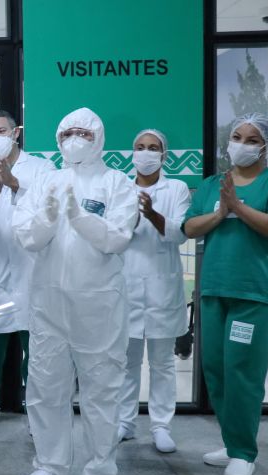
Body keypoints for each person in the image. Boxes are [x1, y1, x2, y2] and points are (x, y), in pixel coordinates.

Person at [12, 108, 137, 475]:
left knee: (101, 389)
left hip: (98, 305)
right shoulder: (46, 182)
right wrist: (49, 219)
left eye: (83, 132)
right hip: (49, 303)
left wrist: (80, 217)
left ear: (98, 136)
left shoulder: (117, 183)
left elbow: (116, 238)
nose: (74, 139)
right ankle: (50, 464)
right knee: (46, 386)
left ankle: (100, 470)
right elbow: (25, 235)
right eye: (67, 132)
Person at [183, 113, 268, 475]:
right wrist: (221, 210)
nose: (242, 145)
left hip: (253, 292)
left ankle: (245, 452)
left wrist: (238, 207)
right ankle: (232, 444)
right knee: (215, 369)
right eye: (236, 136)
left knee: (242, 372)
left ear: (265, 146)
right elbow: (190, 227)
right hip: (215, 288)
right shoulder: (213, 184)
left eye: (251, 139)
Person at [0, 110, 51, 429]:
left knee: (37, 343)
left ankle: (38, 408)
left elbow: (48, 212)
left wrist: (16, 186)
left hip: (33, 271)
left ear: (16, 132)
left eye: (0, 131)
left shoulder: (42, 169)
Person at [116, 129, 190, 453]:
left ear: (163, 154)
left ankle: (161, 426)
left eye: (153, 148)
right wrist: (133, 218)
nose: (146, 153)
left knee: (162, 362)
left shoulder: (177, 188)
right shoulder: (119, 187)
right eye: (140, 147)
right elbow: (113, 234)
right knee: (126, 362)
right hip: (126, 287)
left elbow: (180, 233)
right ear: (132, 153)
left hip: (162, 287)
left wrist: (153, 214)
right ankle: (124, 422)